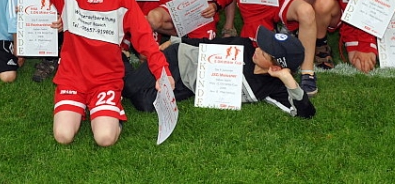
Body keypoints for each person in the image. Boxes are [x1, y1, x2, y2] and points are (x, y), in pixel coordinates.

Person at [0, 0, 173, 147]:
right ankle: (83, 107)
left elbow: (144, 37)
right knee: (63, 136)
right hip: (72, 77)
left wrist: (162, 72)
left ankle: (107, 112)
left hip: (106, 79)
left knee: (104, 138)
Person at [123, 26, 316, 119]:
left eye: (264, 52)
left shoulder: (272, 87)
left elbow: (306, 113)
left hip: (189, 86)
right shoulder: (244, 46)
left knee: (145, 104)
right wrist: (175, 42)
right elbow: (208, 43)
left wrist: (288, 80)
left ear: (275, 67)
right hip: (178, 59)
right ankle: (119, 57)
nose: (257, 49)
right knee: (129, 87)